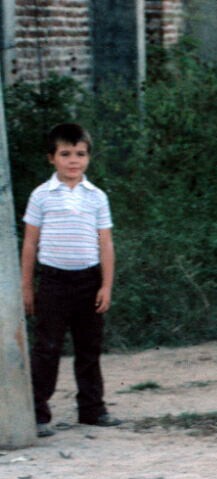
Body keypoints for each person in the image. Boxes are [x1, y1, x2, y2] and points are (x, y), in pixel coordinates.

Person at [22, 122, 117, 440]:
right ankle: (37, 414)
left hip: (88, 281)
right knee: (47, 349)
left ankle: (92, 409)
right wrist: (27, 286)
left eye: (80, 154)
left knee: (89, 347)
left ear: (88, 157)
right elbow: (30, 243)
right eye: (65, 154)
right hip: (53, 283)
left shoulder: (96, 197)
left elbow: (105, 243)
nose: (73, 160)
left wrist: (106, 285)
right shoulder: (41, 195)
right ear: (52, 158)